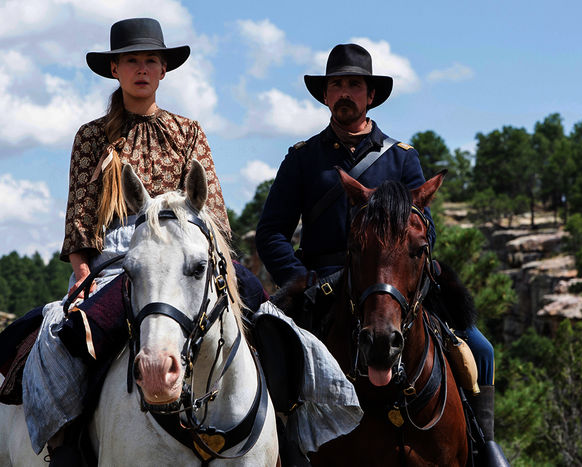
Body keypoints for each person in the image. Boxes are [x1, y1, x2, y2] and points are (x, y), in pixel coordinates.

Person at [255, 43, 499, 444]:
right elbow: (271, 233)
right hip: (325, 283)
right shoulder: (301, 159)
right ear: (325, 94)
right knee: (264, 356)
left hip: (393, 281)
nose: (345, 93)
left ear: (371, 96)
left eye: (355, 84)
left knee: (481, 351)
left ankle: (485, 446)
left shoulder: (402, 157)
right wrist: (306, 281)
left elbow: (427, 229)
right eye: (337, 85)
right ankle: (274, 445)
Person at [20, 18, 236, 465]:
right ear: (115, 70)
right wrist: (82, 271)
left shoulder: (188, 131)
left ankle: (291, 433)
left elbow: (211, 206)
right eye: (132, 61)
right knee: (63, 337)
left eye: (150, 60)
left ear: (163, 70)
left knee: (268, 319)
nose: (142, 69)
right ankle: (68, 443)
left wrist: (220, 265)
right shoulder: (92, 136)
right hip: (117, 259)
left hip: (187, 254)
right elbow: (80, 212)